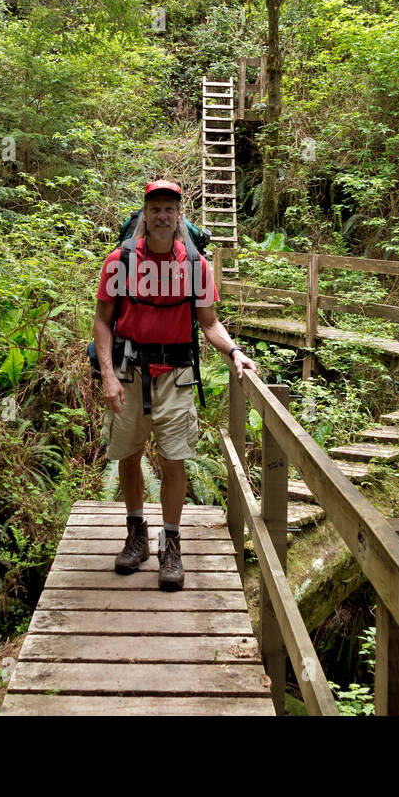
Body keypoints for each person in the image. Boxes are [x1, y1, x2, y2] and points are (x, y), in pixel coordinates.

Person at [93, 179, 259, 591]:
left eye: (170, 209)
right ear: (145, 215)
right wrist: (108, 376)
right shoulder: (120, 261)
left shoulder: (196, 266)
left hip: (177, 373)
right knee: (129, 456)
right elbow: (101, 320)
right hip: (130, 373)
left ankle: (171, 544)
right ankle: (136, 537)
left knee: (174, 459)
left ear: (179, 215)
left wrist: (234, 351)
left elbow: (209, 323)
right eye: (155, 209)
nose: (162, 216)